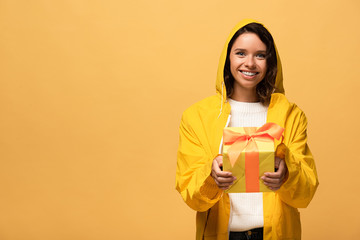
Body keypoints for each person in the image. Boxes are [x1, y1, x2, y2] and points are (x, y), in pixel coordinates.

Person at [175, 19, 319, 240]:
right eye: (241, 53)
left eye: (260, 55)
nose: (250, 63)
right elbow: (190, 195)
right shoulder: (196, 117)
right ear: (227, 58)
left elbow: (306, 192)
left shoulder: (290, 115)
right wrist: (210, 176)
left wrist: (287, 172)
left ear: (270, 62)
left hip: (277, 234)